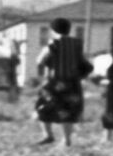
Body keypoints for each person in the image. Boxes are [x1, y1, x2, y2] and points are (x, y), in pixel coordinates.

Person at [32, 17, 88, 146]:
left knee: (43, 107)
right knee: (67, 111)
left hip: (55, 83)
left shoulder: (53, 45)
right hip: (73, 83)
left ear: (53, 30)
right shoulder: (77, 44)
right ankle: (67, 140)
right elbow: (82, 61)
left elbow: (40, 60)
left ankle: (48, 135)